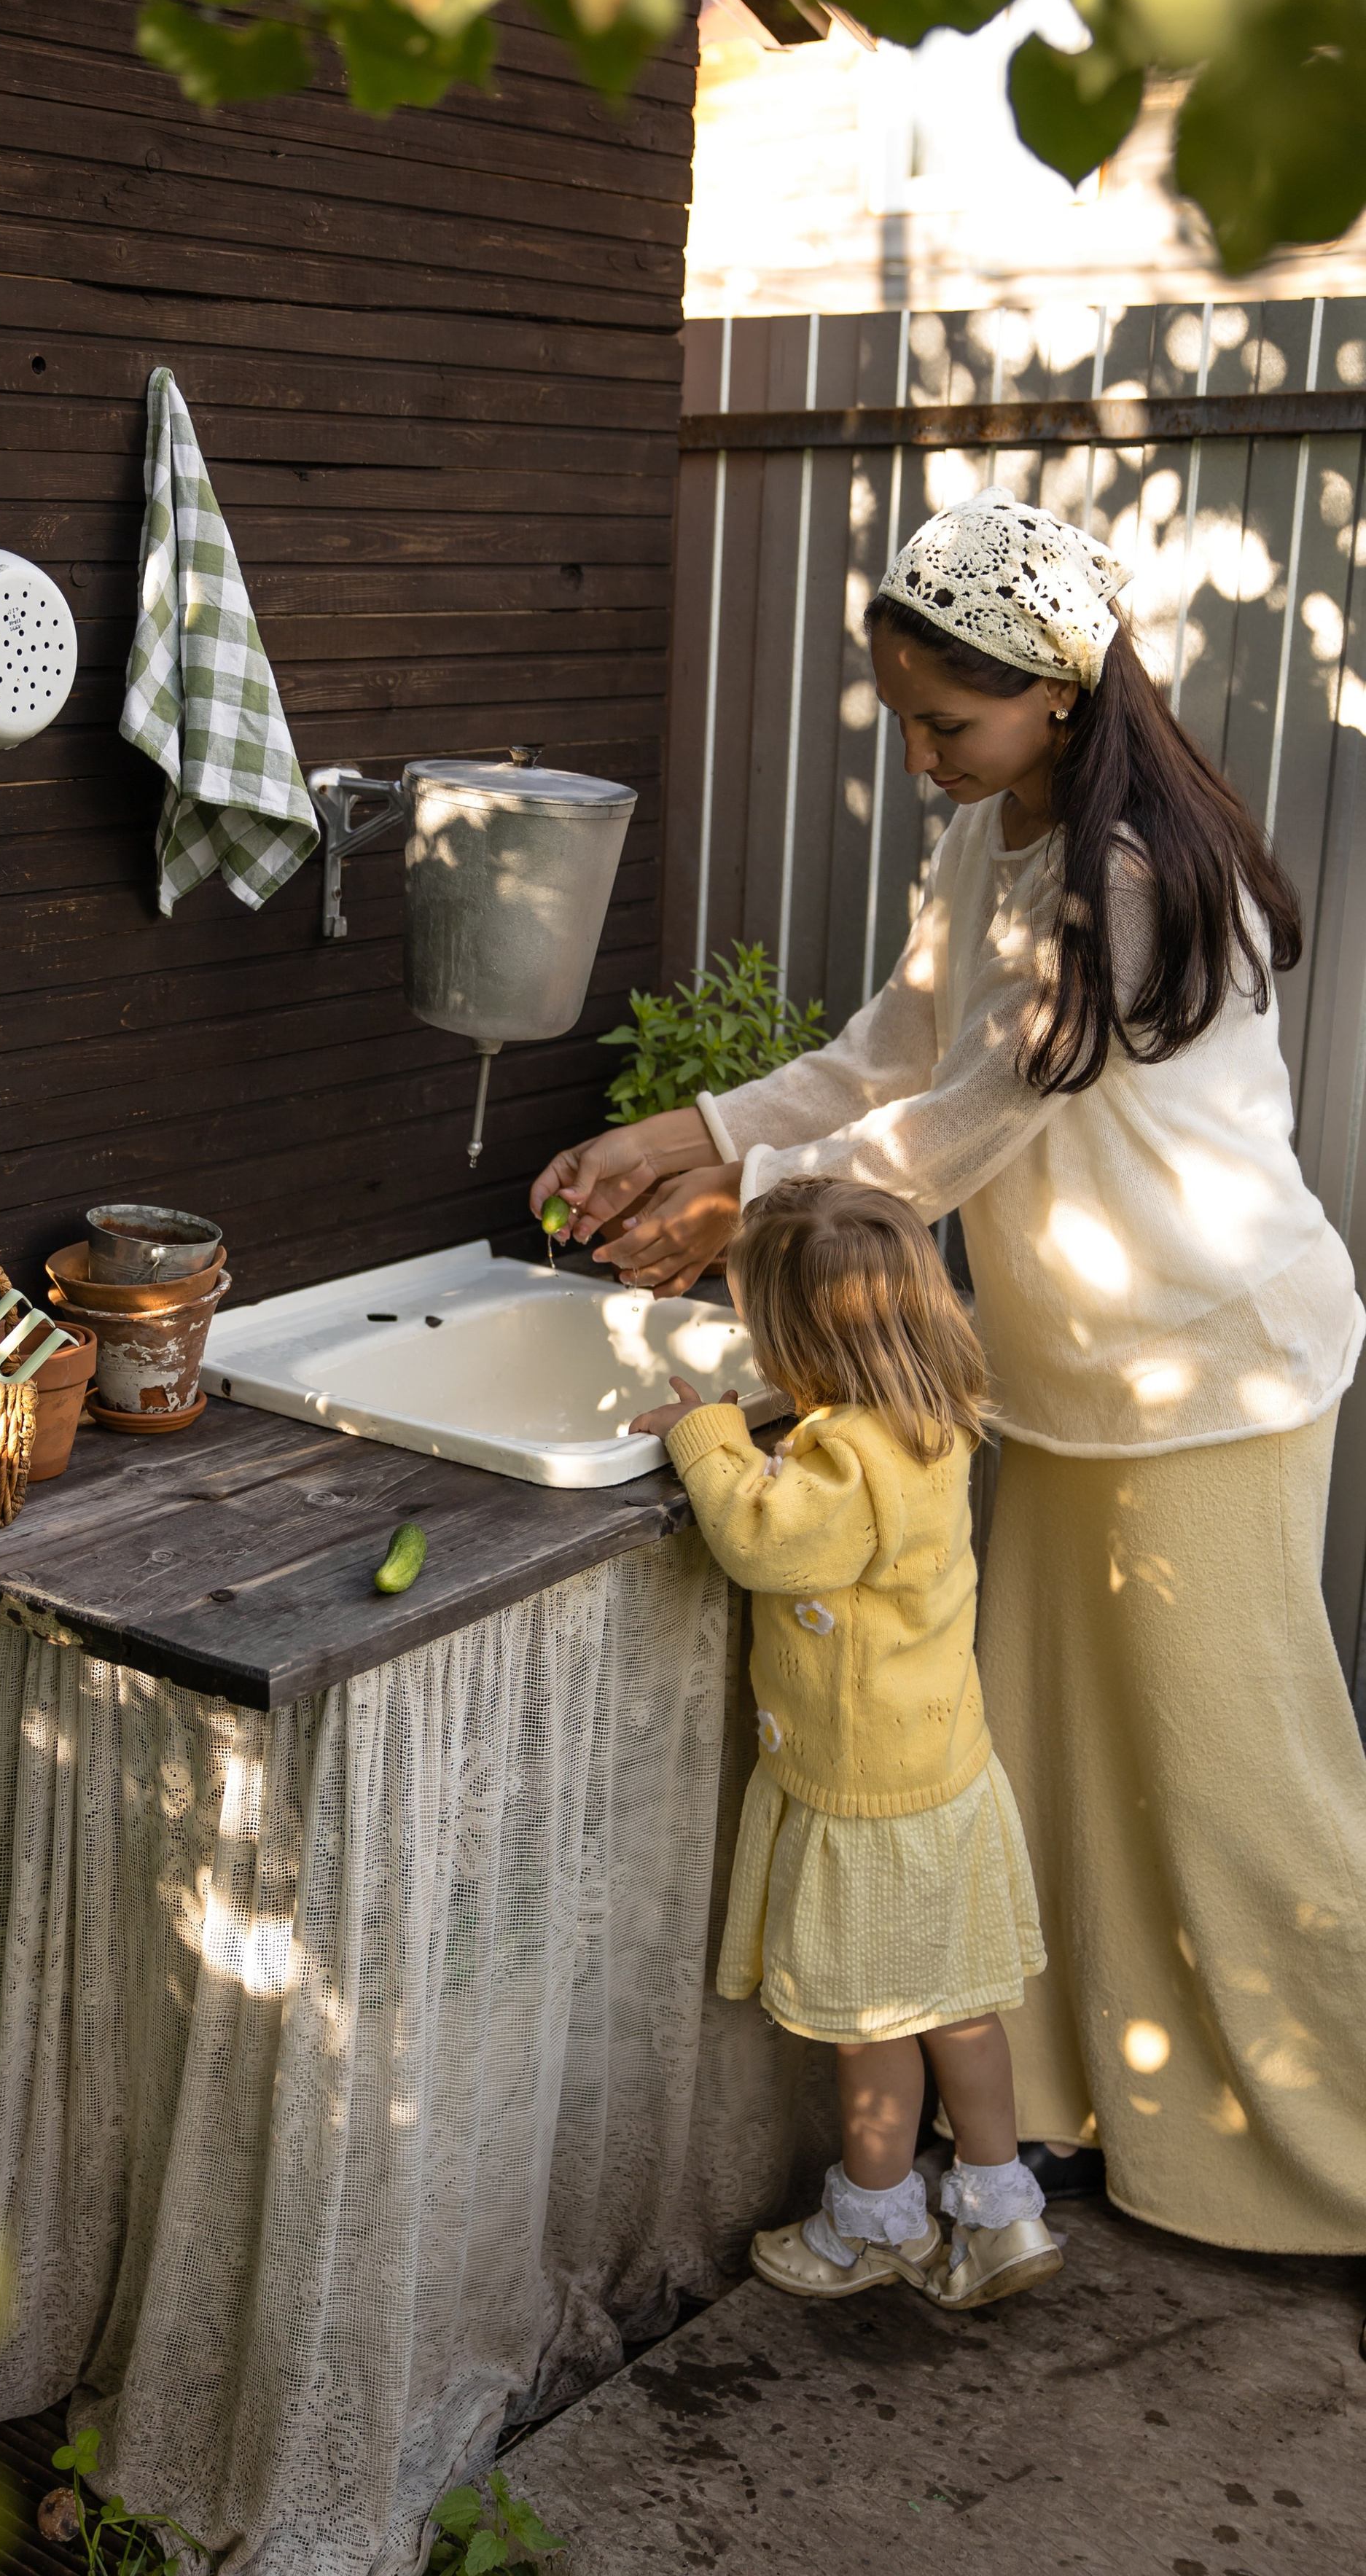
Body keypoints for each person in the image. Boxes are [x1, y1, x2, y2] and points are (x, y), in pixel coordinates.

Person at [536, 489, 1366, 2253]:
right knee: (1064, 1760)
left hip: (1206, 1378)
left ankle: (1343, 2154)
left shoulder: (1126, 882)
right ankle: (1092, 2122)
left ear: (1060, 688)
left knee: (1242, 1792)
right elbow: (881, 1057)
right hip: (1070, 1382)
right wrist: (684, 1125)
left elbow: (967, 1125)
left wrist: (730, 1201)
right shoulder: (991, 834)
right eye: (902, 716)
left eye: (946, 721)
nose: (919, 752)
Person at [632, 1176, 1061, 2308]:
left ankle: (872, 2224)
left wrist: (706, 1432)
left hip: (867, 1796)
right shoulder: (932, 1420)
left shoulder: (848, 1461)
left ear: (799, 1340)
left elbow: (762, 1541)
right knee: (962, 2009)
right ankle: (1000, 2208)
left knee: (874, 2031)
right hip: (947, 1773)